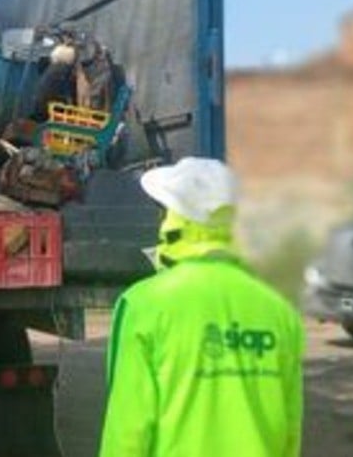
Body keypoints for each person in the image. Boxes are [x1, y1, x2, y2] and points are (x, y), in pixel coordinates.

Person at [99, 158, 305, 457]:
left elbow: (128, 429)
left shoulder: (144, 305)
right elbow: (290, 429)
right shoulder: (280, 310)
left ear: (176, 221)